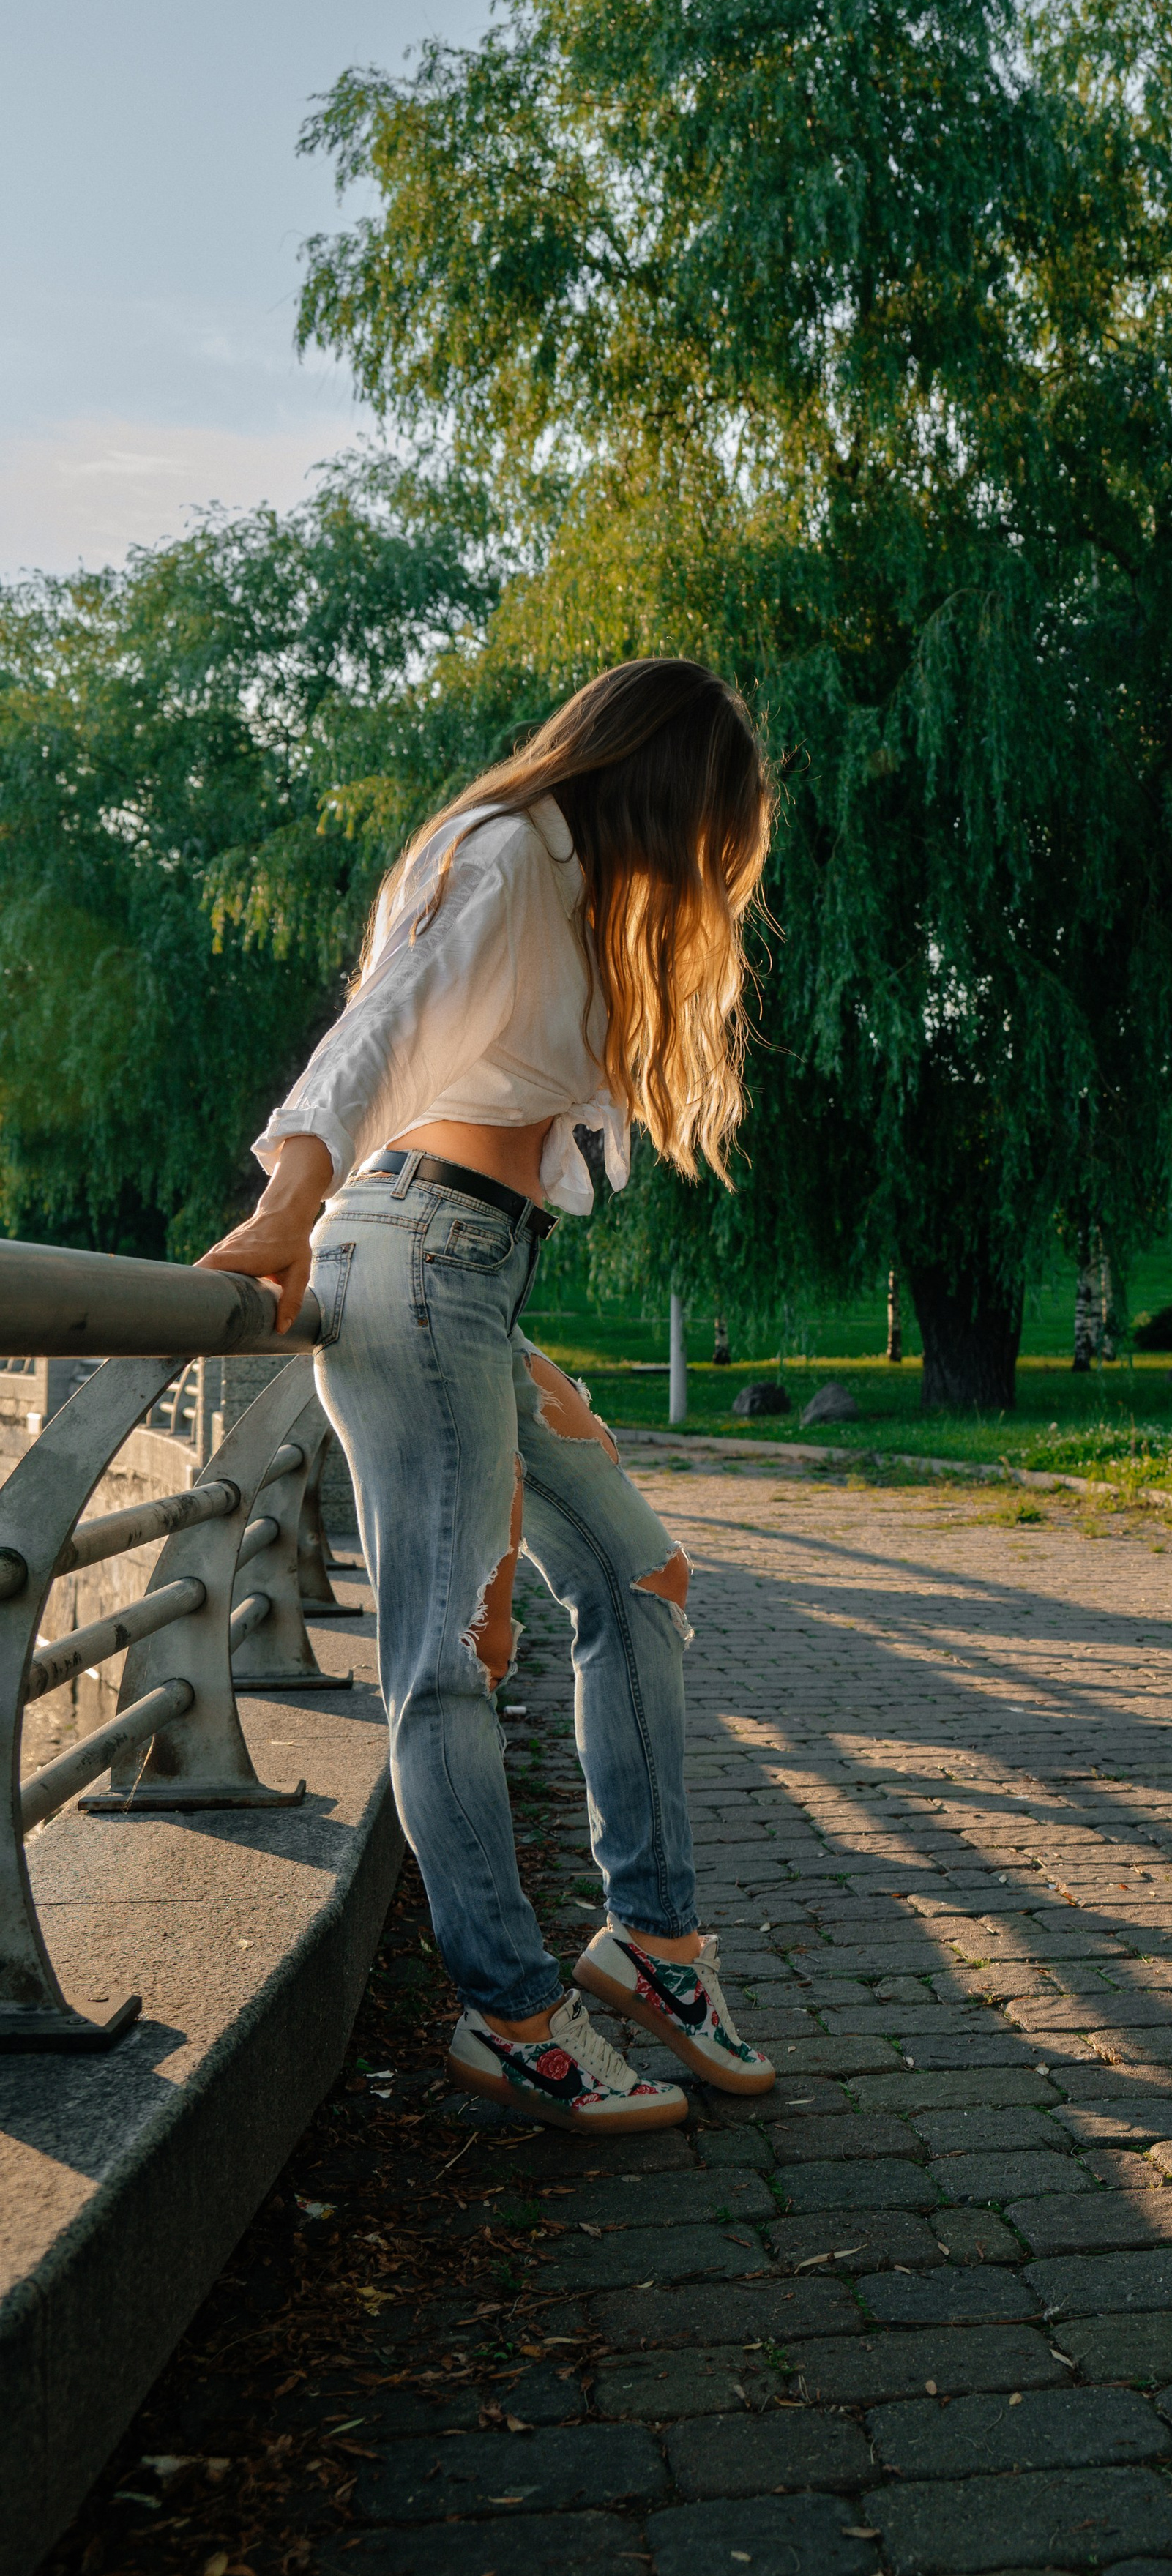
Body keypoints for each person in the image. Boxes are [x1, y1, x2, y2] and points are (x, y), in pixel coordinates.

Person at [201, 660, 775, 2135]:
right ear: (664, 783)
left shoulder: (579, 893)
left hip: (474, 1273)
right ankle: (510, 2014)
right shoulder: (512, 854)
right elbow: (378, 1029)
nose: (719, 861)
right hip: (409, 1251)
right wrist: (284, 1203)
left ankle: (651, 1945)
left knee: (639, 1572)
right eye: (718, 821)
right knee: (446, 1653)